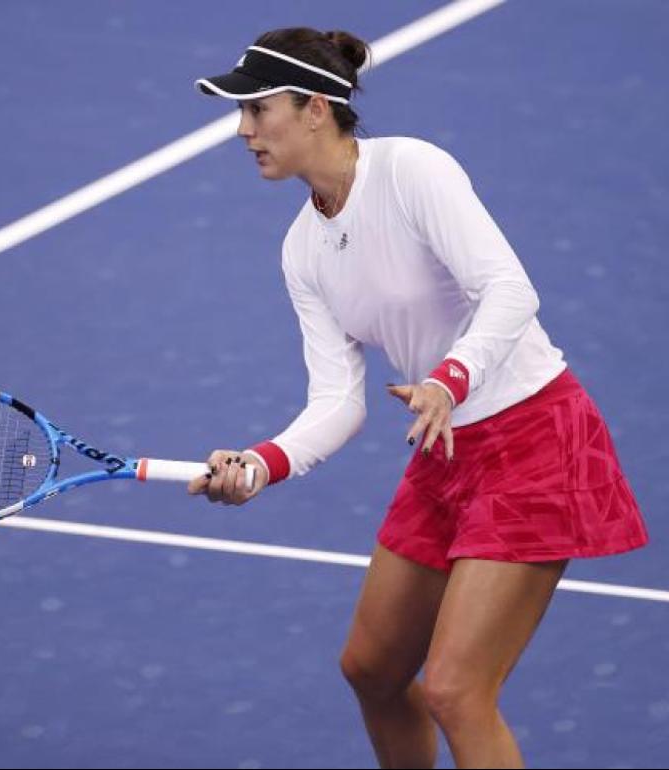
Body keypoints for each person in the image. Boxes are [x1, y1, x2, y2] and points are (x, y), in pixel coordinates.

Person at [186, 27, 649, 769]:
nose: (243, 131)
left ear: (314, 108)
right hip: (448, 451)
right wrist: (261, 466)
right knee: (370, 669)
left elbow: (510, 289)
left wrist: (447, 378)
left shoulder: (411, 170)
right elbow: (339, 399)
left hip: (534, 439)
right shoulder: (302, 248)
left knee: (458, 691)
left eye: (258, 109)